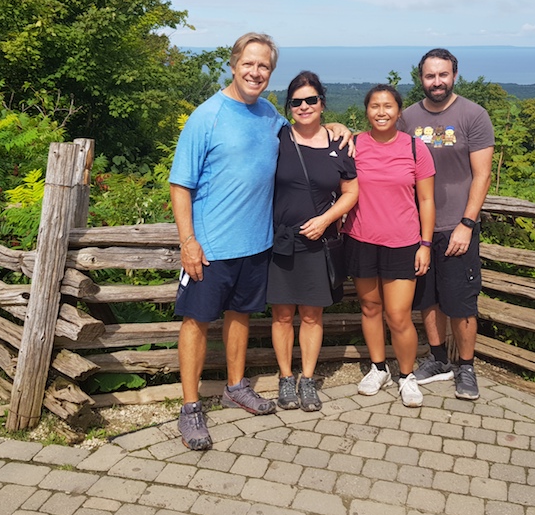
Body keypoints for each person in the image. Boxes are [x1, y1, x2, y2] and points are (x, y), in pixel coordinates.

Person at [169, 33, 352, 451]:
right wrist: (189, 241)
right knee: (196, 321)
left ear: (270, 73)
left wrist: (340, 126)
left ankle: (236, 387)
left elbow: (308, 130)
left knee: (240, 315)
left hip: (257, 244)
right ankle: (191, 407)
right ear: (234, 65)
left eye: (264, 66)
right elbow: (180, 185)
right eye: (249, 64)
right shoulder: (207, 116)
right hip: (211, 246)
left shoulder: (270, 115)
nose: (256, 72)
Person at [399, 48, 495, 401]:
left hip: (458, 224)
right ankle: (439, 359)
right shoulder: (406, 118)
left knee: (461, 301)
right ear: (420, 78)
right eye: (429, 76)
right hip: (418, 228)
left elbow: (482, 175)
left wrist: (467, 223)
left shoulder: (473, 115)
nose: (436, 82)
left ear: (454, 75)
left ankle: (466, 367)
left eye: (443, 75)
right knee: (428, 299)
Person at [269, 71, 358, 412]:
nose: (304, 106)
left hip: (319, 242)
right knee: (281, 314)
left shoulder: (338, 144)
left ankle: (307, 379)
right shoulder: (278, 138)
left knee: (311, 315)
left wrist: (325, 220)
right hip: (281, 241)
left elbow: (352, 191)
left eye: (311, 100)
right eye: (296, 101)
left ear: (322, 102)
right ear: (289, 106)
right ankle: (284, 378)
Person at [341, 84, 435, 407]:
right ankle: (378, 367)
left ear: (399, 111)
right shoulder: (353, 144)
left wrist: (426, 243)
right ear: (366, 111)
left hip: (403, 242)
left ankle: (406, 375)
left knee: (398, 315)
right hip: (360, 239)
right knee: (370, 308)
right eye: (375, 106)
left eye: (388, 106)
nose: (381, 112)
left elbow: (426, 199)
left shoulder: (414, 148)